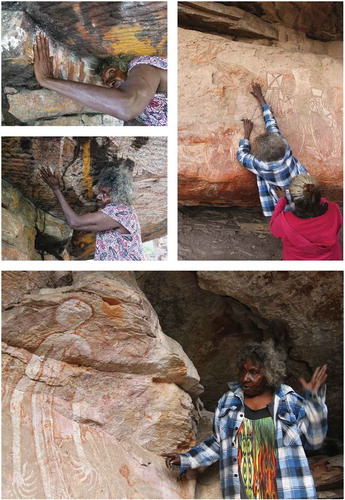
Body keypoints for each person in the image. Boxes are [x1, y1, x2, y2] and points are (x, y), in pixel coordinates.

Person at [162, 341, 328, 499]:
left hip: (288, 491)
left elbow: (314, 440)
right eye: (243, 370)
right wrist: (187, 459)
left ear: (269, 374)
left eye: (254, 372)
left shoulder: (289, 401)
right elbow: (219, 443)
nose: (245, 378)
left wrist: (314, 403)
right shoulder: (228, 401)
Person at [33, 33, 167, 126]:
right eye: (106, 84)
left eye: (111, 73)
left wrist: (47, 80)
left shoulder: (141, 66)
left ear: (123, 66)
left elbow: (126, 107)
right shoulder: (143, 108)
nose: (110, 83)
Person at [40, 166, 144, 261]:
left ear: (118, 195)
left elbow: (74, 222)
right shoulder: (125, 212)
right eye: (99, 192)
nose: (98, 196)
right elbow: (79, 226)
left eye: (104, 193)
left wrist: (56, 189)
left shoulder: (120, 212)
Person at [237, 83, 308, 216]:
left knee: (284, 209)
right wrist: (262, 100)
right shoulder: (285, 148)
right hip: (299, 189)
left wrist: (246, 134)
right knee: (300, 207)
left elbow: (241, 155)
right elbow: (271, 123)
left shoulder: (260, 164)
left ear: (259, 155)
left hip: (281, 195)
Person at [270, 174, 342, 260]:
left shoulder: (283, 221)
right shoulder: (334, 209)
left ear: (293, 200)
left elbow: (273, 226)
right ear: (318, 195)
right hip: (331, 260)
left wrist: (282, 199)